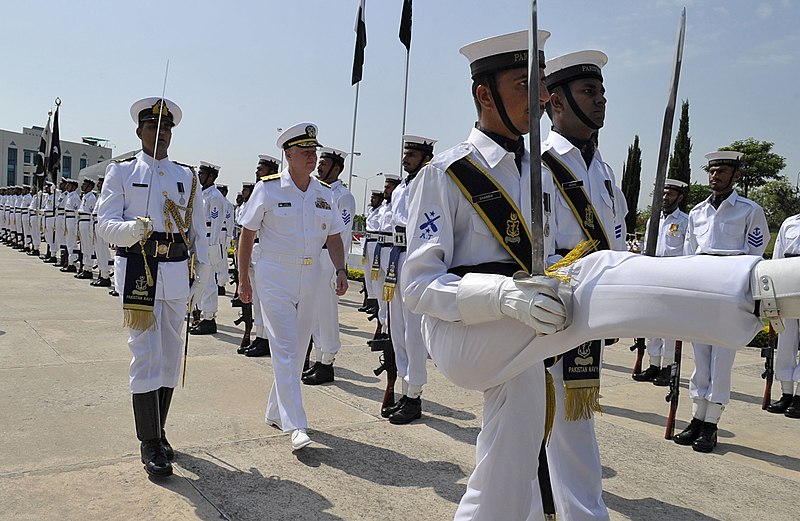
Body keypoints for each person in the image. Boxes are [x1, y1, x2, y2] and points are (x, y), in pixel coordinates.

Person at [96, 97, 210, 477]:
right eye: (152, 127)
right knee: (145, 354)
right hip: (139, 272)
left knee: (170, 355)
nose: (160, 133)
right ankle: (149, 442)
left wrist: (201, 274)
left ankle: (159, 430)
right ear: (139, 131)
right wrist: (132, 229)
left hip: (177, 272)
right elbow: (104, 224)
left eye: (166, 128)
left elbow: (197, 233)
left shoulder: (186, 175)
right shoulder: (122, 172)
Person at [237, 122, 348, 451]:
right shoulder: (268, 189)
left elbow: (334, 235)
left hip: (311, 274)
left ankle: (275, 410)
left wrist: (341, 269)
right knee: (285, 348)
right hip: (275, 274)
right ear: (288, 154)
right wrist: (243, 278)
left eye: (314, 152)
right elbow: (247, 234)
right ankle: (296, 423)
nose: (312, 158)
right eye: (305, 152)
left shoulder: (324, 194)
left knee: (298, 350)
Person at [673, 150, 769, 453]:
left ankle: (712, 424)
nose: (715, 176)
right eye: (712, 171)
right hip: (701, 293)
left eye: (722, 172)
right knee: (700, 359)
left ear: (736, 176)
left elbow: (754, 254)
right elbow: (689, 255)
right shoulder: (698, 212)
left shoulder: (749, 210)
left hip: (729, 294)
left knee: (721, 360)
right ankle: (696, 418)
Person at [380, 135, 437, 424]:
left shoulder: (428, 181)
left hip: (413, 256)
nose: (405, 159)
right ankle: (404, 389)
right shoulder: (404, 185)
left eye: (411, 155)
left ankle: (414, 394)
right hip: (395, 254)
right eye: (405, 155)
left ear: (425, 156)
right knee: (396, 328)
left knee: (413, 331)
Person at [303, 147, 356, 385]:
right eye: (320, 162)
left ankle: (328, 362)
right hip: (313, 257)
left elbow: (341, 234)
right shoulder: (317, 191)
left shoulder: (343, 196)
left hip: (329, 260)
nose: (319, 166)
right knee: (314, 312)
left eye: (324, 163)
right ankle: (319, 358)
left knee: (327, 313)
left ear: (337, 168)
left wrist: (339, 267)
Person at [634, 178, 689, 385]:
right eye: (664, 194)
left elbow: (687, 249)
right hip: (653, 274)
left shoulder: (685, 220)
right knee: (652, 324)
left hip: (674, 275)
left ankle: (668, 367)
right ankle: (654, 364)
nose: (666, 198)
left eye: (671, 194)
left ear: (680, 197)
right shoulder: (653, 219)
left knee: (670, 325)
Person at [768, 212, 800, 418]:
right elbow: (777, 258)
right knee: (785, 341)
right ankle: (786, 392)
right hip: (788, 285)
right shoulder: (789, 223)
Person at [189, 161, 227, 335]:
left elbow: (217, 224)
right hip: (200, 241)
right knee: (200, 279)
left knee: (210, 282)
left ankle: (209, 318)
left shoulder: (215, 197)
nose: (199, 176)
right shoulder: (201, 194)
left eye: (202, 174)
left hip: (210, 242)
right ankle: (201, 314)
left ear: (211, 176)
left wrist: (211, 247)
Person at [90, 176, 113, 287]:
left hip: (102, 224)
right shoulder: (100, 196)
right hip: (96, 223)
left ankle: (105, 275)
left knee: (103, 250)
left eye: (100, 183)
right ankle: (102, 273)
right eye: (98, 183)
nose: (98, 185)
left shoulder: (108, 195)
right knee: (98, 250)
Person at [75, 178, 97, 279]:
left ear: (90, 187)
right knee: (83, 247)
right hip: (82, 222)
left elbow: (92, 214)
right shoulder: (85, 197)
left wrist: (90, 229)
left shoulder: (91, 197)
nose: (82, 186)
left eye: (84, 185)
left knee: (88, 247)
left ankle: (88, 268)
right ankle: (85, 267)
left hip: (87, 223)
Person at [61, 178, 81, 273]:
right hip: (67, 219)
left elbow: (77, 211)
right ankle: (70, 262)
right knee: (68, 242)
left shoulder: (75, 197)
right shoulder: (68, 196)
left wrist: (77, 225)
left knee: (72, 242)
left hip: (72, 220)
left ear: (74, 187)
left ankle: (72, 262)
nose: (66, 186)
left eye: (69, 185)